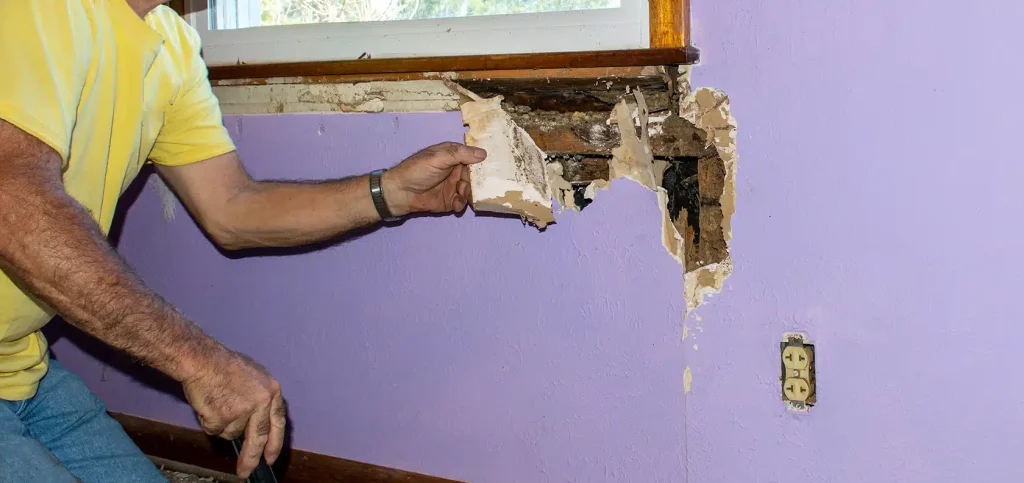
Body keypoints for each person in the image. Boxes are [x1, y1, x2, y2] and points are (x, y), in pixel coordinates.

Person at [0, 1, 486, 481]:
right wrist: (198, 362)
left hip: (21, 367)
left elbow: (231, 207)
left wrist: (392, 191)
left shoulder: (169, 43)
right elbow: (12, 203)